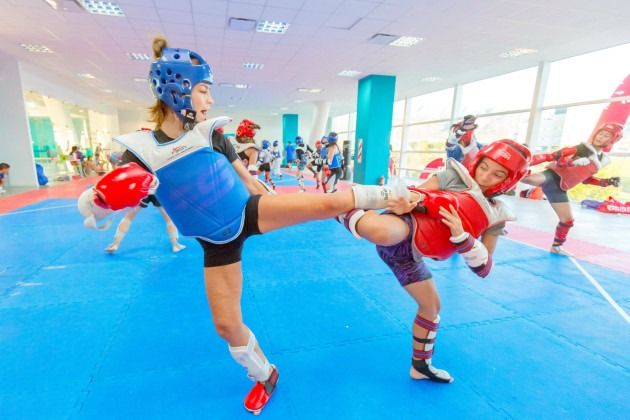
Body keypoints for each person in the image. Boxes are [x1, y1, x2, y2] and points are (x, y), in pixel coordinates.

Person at [77, 37, 411, 415]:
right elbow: (102, 197)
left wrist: (271, 195)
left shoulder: (211, 133)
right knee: (226, 325)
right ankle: (265, 374)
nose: (210, 100)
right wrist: (98, 202)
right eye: (203, 90)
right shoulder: (139, 150)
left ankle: (400, 195)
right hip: (215, 242)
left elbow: (244, 178)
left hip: (249, 211)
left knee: (331, 201)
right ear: (179, 89)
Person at [336, 139, 531, 384]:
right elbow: (415, 196)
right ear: (477, 162)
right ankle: (336, 206)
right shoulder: (452, 176)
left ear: (509, 180)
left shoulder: (496, 215)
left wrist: (463, 238)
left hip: (410, 257)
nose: (485, 176)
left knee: (432, 308)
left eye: (497, 174)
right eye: (484, 167)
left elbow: (485, 266)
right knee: (384, 232)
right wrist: (405, 202)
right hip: (405, 227)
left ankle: (421, 366)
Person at [521, 123, 623, 255]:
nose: (600, 137)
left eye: (606, 135)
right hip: (553, 176)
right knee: (527, 178)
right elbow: (555, 156)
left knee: (567, 220)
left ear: (612, 140)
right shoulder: (582, 148)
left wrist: (606, 182)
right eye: (600, 133)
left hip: (560, 188)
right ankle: (514, 164)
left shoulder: (603, 160)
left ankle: (556, 247)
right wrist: (571, 162)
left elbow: (585, 179)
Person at [104, 194, 186, 253]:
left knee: (128, 217)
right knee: (168, 218)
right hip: (156, 189)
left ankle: (115, 244)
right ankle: (175, 245)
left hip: (143, 190)